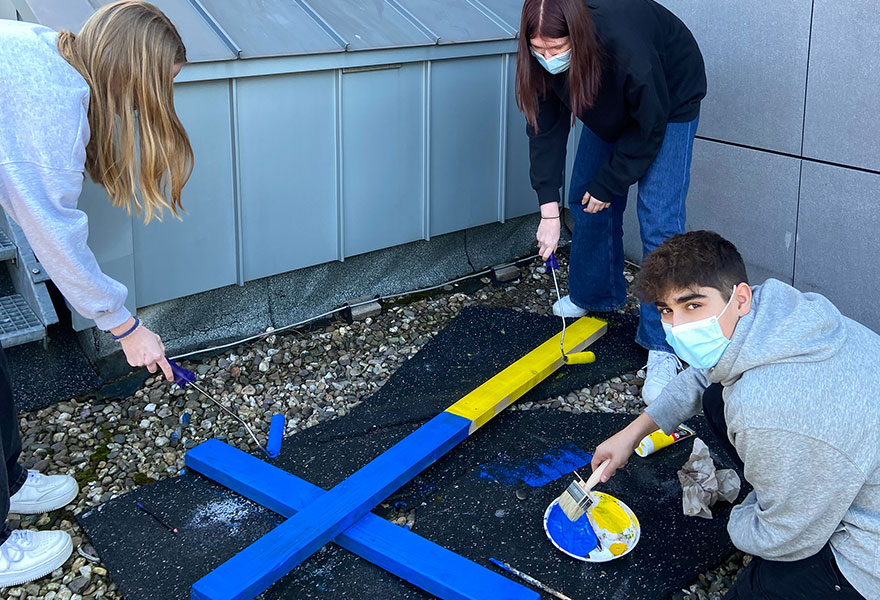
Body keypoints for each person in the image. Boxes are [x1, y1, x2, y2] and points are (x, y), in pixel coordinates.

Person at [0, 1, 193, 585]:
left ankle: (8, 481)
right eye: (151, 90)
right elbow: (52, 232)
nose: (143, 106)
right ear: (130, 73)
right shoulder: (51, 97)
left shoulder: (40, 46)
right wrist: (125, 327)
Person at [591, 230, 878, 599]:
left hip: (868, 553)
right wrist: (630, 435)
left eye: (693, 305)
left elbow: (787, 538)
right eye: (667, 310)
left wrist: (744, 518)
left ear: (739, 298)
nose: (678, 327)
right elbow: (703, 372)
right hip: (852, 463)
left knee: (756, 589)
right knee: (715, 394)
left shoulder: (765, 408)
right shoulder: (776, 314)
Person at [516, 0, 707, 404]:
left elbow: (649, 126)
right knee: (583, 197)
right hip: (605, 98)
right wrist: (548, 213)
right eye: (539, 49)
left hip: (667, 101)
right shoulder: (543, 63)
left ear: (578, 37)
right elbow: (545, 132)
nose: (547, 58)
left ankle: (664, 345)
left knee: (659, 220)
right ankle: (594, 294)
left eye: (555, 49)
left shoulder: (625, 46)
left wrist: (611, 183)